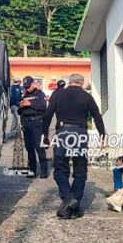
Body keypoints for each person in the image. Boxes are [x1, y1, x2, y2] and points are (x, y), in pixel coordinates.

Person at [43, 73, 106, 219]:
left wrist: (45, 135)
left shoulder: (58, 94)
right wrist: (102, 136)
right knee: (80, 170)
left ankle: (68, 198)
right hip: (80, 133)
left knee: (60, 169)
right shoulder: (87, 96)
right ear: (82, 83)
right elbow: (97, 116)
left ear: (69, 82)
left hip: (63, 133)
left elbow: (47, 115)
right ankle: (74, 202)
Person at [18, 76, 48, 178]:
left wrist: (30, 103)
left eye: (28, 86)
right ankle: (32, 170)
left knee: (39, 147)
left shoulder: (39, 94)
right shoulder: (24, 95)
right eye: (25, 86)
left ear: (33, 84)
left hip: (37, 123)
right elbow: (19, 112)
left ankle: (44, 170)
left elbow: (43, 107)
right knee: (29, 148)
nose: (27, 88)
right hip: (27, 124)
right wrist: (21, 106)